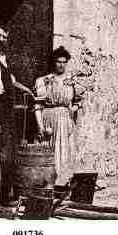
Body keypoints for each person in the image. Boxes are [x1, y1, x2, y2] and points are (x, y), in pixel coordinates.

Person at [0, 23, 34, 207]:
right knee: (0, 155)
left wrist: (26, 89)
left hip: (6, 109)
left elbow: (10, 81)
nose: (1, 40)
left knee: (9, 153)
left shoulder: (1, 58)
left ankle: (5, 194)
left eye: (4, 37)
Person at [33, 46, 83, 184]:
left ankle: (63, 183)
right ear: (53, 62)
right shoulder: (43, 81)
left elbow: (78, 101)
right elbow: (38, 106)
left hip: (66, 120)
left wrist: (73, 108)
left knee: (65, 152)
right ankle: (48, 184)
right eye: (58, 61)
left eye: (64, 62)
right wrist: (40, 127)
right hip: (49, 118)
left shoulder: (71, 81)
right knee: (49, 151)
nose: (61, 65)